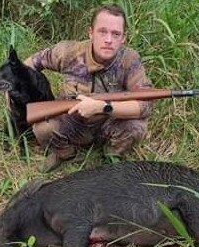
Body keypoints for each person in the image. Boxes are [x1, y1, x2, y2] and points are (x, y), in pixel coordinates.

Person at [23, 4, 154, 172]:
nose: (108, 40)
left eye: (116, 34)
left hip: (109, 123)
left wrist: (103, 108)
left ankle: (111, 156)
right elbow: (32, 63)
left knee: (137, 127)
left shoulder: (130, 59)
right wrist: (13, 86)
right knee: (42, 129)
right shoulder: (69, 52)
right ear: (91, 33)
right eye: (102, 32)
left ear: (123, 38)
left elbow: (146, 105)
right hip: (73, 122)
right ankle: (68, 154)